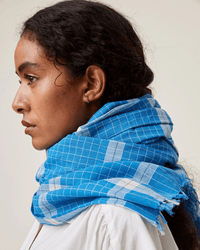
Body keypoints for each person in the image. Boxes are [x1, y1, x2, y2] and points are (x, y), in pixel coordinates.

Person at [12, 0, 200, 249]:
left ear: (91, 84)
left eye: (32, 78)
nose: (17, 103)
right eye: (20, 81)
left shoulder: (116, 215)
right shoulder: (67, 195)